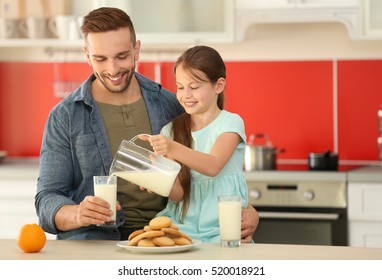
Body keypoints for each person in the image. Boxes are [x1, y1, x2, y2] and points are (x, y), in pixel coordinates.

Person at [35, 7, 258, 241]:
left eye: (122, 56)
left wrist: (248, 210)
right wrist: (77, 214)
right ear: (87, 55)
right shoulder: (66, 116)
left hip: (164, 233)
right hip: (94, 238)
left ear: (136, 50)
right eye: (101, 58)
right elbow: (47, 199)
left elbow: (210, 171)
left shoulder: (170, 105)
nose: (112, 69)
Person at [141, 45, 248, 243]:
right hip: (181, 227)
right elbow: (178, 194)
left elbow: (213, 165)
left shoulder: (230, 123)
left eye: (195, 87)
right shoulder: (171, 131)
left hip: (223, 229)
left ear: (219, 85)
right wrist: (158, 179)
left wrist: (172, 147)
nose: (185, 94)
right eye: (180, 87)